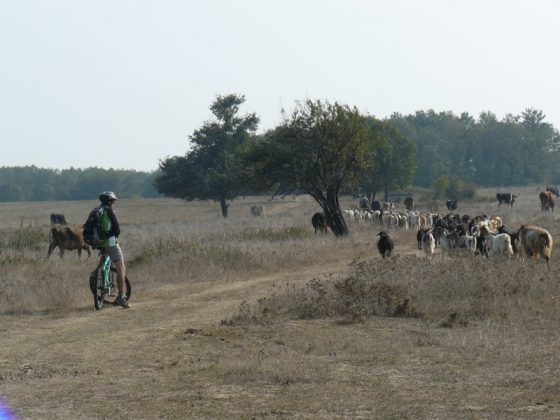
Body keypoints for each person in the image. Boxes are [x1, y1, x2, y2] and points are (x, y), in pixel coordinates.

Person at [96, 191, 129, 308]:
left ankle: (95, 276)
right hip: (110, 243)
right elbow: (117, 229)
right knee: (121, 267)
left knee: (102, 262)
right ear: (109, 201)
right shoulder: (109, 211)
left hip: (97, 242)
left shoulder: (96, 211)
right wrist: (113, 235)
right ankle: (121, 296)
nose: (114, 203)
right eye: (113, 201)